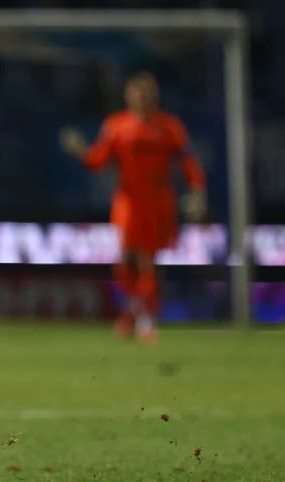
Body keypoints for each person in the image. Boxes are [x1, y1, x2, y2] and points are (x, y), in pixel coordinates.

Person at [60, 71, 207, 342]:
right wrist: (81, 152)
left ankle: (146, 320)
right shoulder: (116, 125)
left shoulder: (169, 127)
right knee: (125, 261)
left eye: (147, 94)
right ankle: (132, 311)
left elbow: (188, 161)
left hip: (157, 201)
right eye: (137, 94)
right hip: (127, 202)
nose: (141, 99)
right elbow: (98, 161)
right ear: (128, 96)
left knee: (147, 261)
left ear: (154, 97)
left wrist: (197, 191)